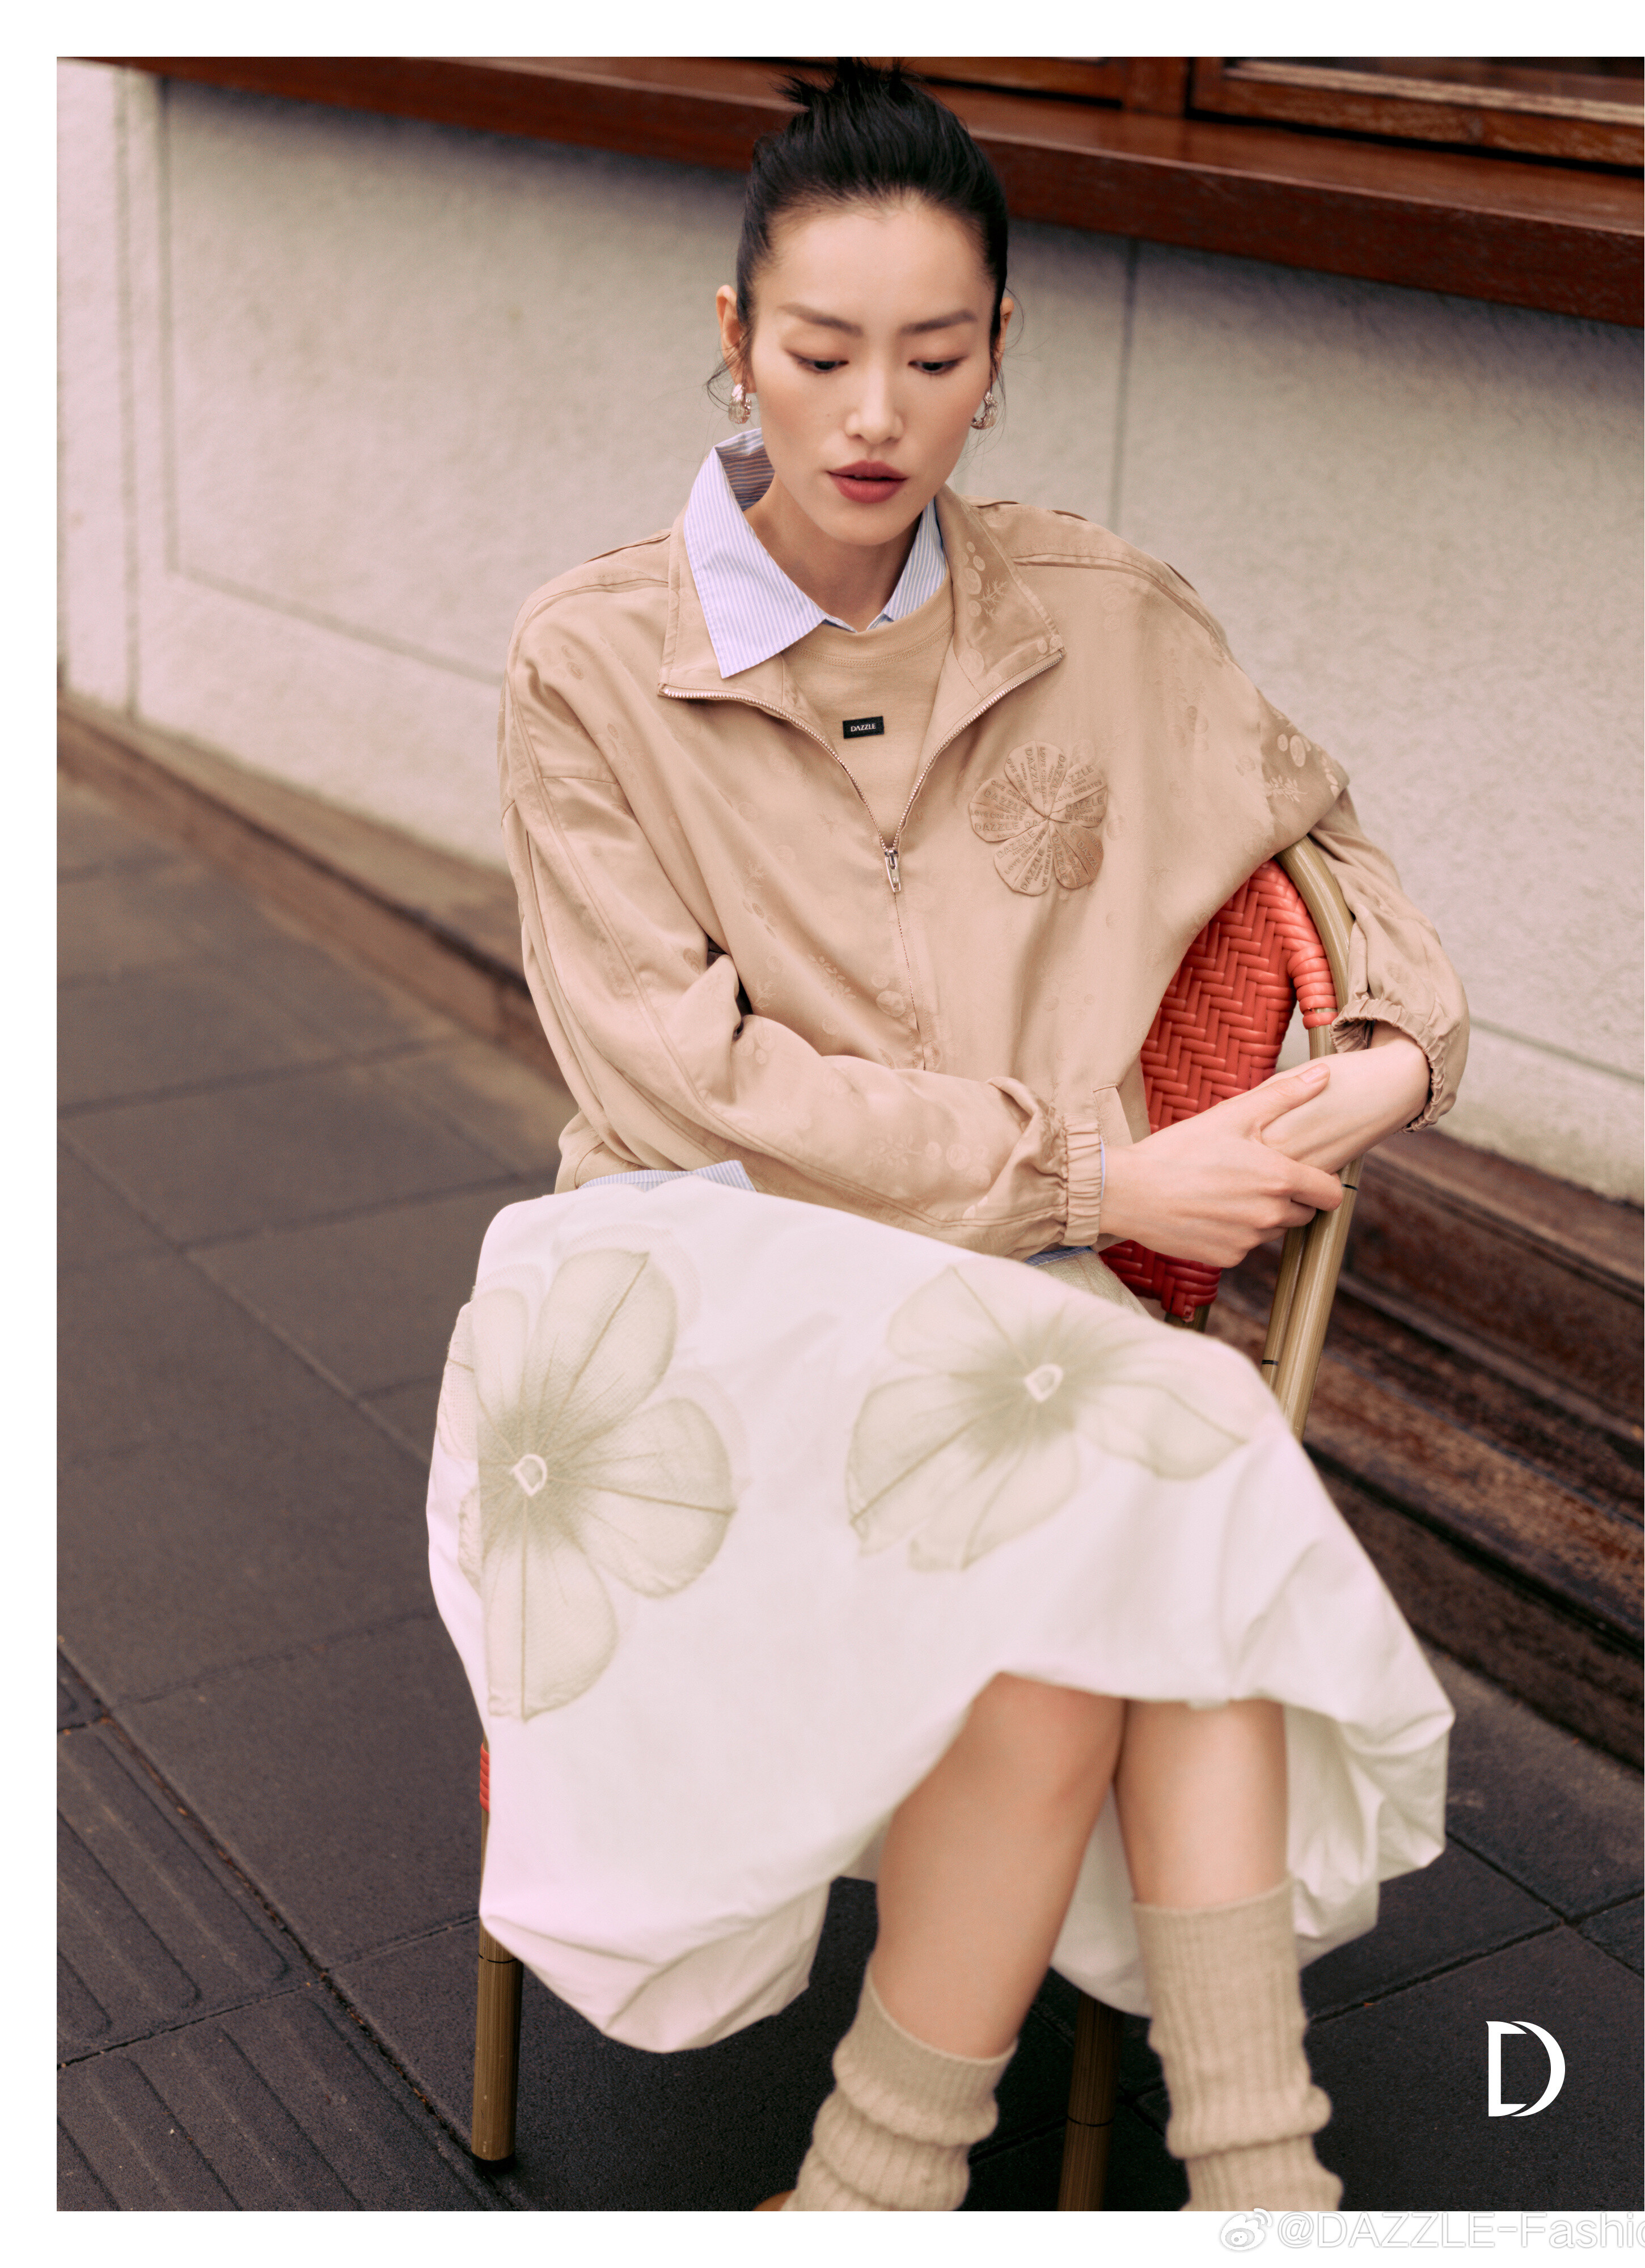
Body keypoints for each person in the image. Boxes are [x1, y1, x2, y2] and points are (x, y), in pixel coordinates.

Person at [426, 60, 1467, 2214]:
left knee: (1115, 1535)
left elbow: (1336, 859)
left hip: (1009, 1300)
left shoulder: (1106, 614)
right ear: (736, 340)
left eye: (934, 356)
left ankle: (997, 2185)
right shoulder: (592, 660)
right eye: (820, 354)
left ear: (1001, 355)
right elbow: (682, 1078)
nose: (873, 414)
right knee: (1167, 1478)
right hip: (688, 1275)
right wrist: (1097, 1177)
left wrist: (1395, 1056)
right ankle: (1213, 2182)